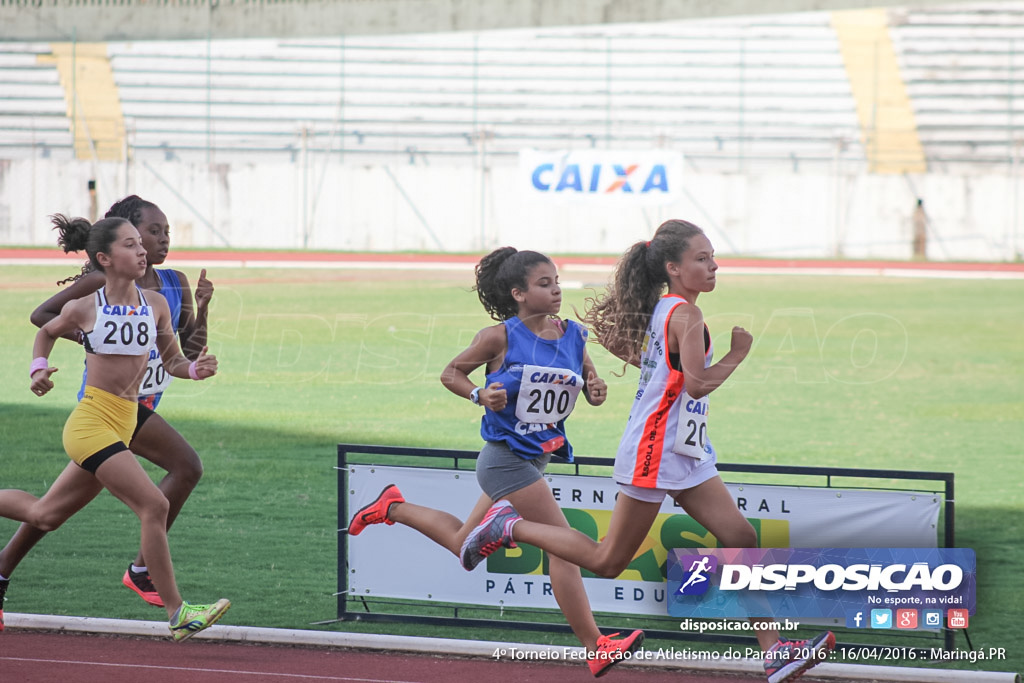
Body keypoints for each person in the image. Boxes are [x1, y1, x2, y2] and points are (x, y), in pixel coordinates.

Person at [459, 221, 836, 683]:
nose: (713, 265)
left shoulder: (666, 308)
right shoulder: (686, 315)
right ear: (673, 268)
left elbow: (656, 363)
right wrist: (738, 353)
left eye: (713, 256)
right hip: (655, 450)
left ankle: (774, 649)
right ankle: (509, 525)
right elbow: (698, 382)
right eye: (702, 259)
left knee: (741, 536)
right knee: (607, 560)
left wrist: (654, 375)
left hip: (687, 449)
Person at [347, 247, 644, 677]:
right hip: (504, 461)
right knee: (562, 546)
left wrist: (596, 390)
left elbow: (588, 381)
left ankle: (390, 506)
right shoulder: (499, 337)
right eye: (545, 284)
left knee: (463, 548)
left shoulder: (573, 335)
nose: (556, 289)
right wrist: (479, 394)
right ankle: (595, 644)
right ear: (518, 293)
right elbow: (452, 372)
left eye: (557, 281)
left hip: (538, 459)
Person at [4, 214, 229, 641]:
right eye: (131, 245)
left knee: (44, 515)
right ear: (105, 258)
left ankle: (168, 600)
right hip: (91, 423)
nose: (143, 250)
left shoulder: (157, 305)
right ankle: (178, 612)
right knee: (154, 506)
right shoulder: (85, 307)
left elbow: (174, 361)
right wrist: (38, 370)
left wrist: (196, 370)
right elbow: (45, 330)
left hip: (125, 423)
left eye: (140, 244)